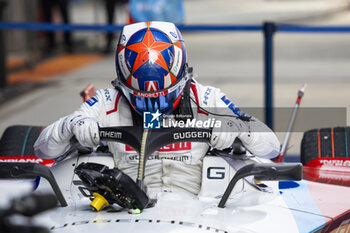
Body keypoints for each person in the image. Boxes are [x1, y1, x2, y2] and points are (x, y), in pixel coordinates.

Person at [34, 21, 280, 198]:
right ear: (123, 82)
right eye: (141, 97)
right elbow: (43, 149)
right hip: (124, 213)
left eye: (162, 95)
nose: (153, 106)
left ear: (182, 77)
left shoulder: (206, 98)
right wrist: (71, 125)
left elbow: (271, 148)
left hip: (202, 209)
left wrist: (234, 126)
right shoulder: (108, 100)